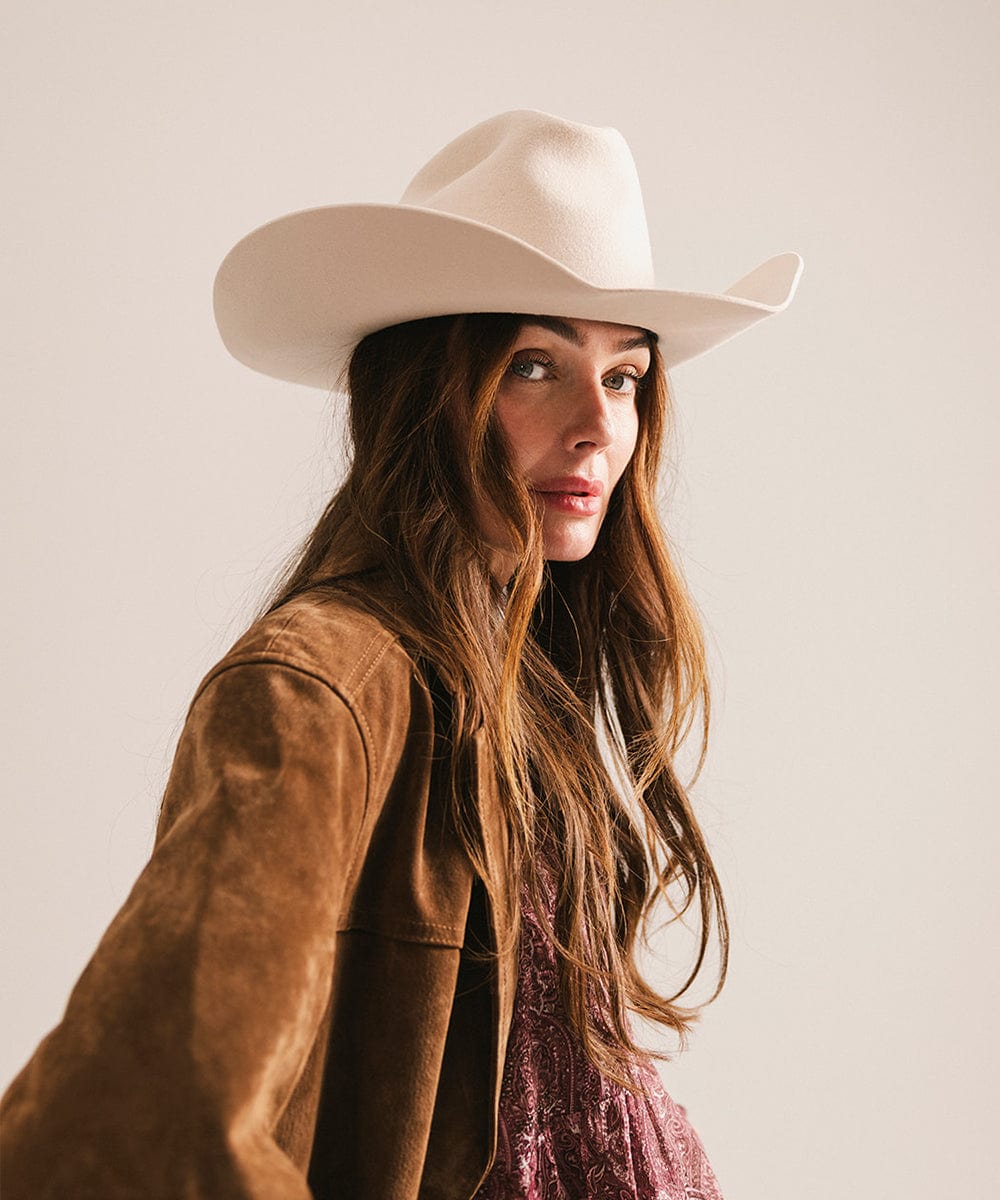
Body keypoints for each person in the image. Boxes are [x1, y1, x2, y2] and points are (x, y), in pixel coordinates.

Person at [0, 110, 802, 1199]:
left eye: (622, 375)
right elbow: (156, 1106)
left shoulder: (524, 685)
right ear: (428, 394)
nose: (596, 428)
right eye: (533, 365)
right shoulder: (319, 687)